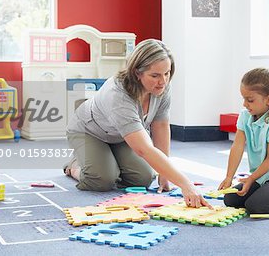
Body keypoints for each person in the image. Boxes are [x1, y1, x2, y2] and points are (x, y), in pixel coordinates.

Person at [64, 39, 211, 208]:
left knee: (143, 178)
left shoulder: (162, 87)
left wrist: (165, 174)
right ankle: (74, 165)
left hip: (121, 136)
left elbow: (161, 125)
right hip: (89, 131)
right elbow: (143, 149)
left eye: (167, 73)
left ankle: (107, 160)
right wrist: (186, 184)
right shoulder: (118, 94)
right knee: (101, 179)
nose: (162, 81)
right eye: (155, 75)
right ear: (137, 73)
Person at [218, 64, 269, 214]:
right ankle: (266, 192)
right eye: (243, 99)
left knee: (255, 206)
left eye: (250, 100)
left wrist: (251, 179)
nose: (245, 104)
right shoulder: (245, 115)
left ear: (268, 100)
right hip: (263, 177)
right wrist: (229, 177)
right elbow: (237, 146)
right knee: (230, 199)